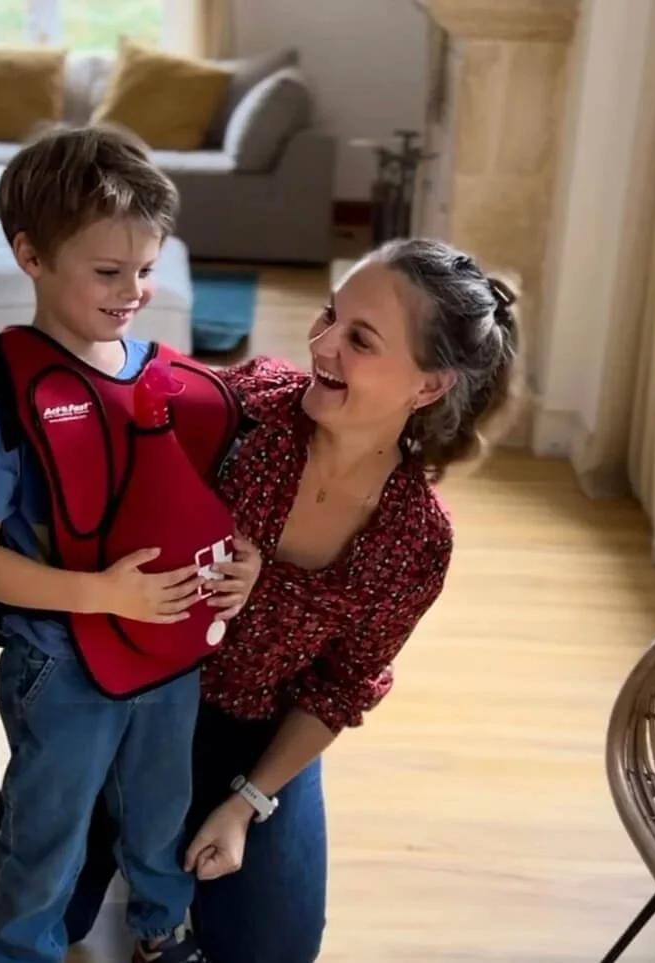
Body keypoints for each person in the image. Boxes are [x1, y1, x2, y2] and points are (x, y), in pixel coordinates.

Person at [0, 125, 261, 963]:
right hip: (60, 662)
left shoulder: (167, 374)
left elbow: (187, 508)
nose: (133, 290)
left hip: (170, 656)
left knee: (159, 812)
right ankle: (24, 949)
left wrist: (239, 561)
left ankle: (160, 930)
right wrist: (104, 594)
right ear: (31, 256)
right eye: (108, 272)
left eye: (145, 269)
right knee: (48, 833)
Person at [181, 238, 522, 963]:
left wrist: (246, 802)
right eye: (329, 315)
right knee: (56, 886)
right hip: (142, 701)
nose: (321, 343)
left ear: (427, 387)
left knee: (274, 950)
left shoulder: (417, 539)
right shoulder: (246, 409)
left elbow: (341, 687)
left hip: (262, 732)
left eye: (359, 337)